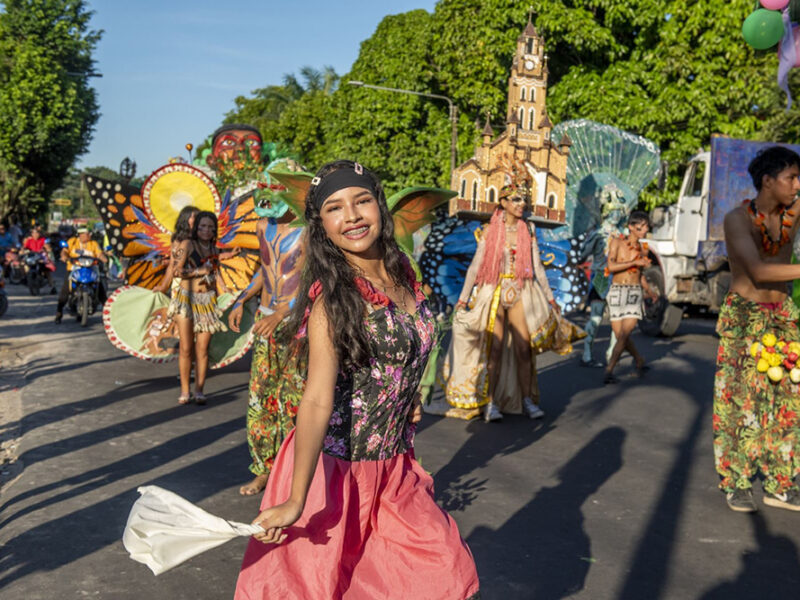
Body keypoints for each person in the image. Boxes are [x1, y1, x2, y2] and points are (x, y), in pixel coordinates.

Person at [234, 160, 480, 600]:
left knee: (441, 571)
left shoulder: (402, 275)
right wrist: (295, 500)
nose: (351, 216)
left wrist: (405, 394)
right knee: (321, 587)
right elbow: (315, 400)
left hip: (395, 468)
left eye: (361, 201)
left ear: (380, 206)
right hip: (335, 472)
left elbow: (399, 352)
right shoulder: (335, 300)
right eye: (334, 208)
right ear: (322, 226)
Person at [442, 194, 584, 422]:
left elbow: (537, 266)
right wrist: (463, 299)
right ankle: (491, 403)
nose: (521, 204)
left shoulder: (528, 229)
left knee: (523, 348)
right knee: (495, 348)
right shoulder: (489, 230)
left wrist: (550, 298)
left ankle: (527, 400)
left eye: (523, 200)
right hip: (495, 290)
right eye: (516, 200)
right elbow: (476, 266)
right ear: (504, 202)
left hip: (521, 289)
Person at [715, 146, 800, 513]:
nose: (797, 185)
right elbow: (759, 271)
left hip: (783, 316)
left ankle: (780, 484)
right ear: (768, 181)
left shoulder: (793, 213)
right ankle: (736, 481)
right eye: (790, 178)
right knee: (739, 402)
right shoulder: (737, 220)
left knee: (788, 402)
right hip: (745, 317)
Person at [228, 188, 306, 497]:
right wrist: (242, 299)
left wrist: (284, 313)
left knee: (294, 398)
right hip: (265, 318)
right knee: (261, 398)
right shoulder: (263, 226)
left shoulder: (309, 229)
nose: (269, 200)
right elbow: (266, 267)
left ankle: (294, 474)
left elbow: (316, 278)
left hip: (297, 322)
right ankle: (264, 469)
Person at [167, 210, 226, 405]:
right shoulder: (187, 244)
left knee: (203, 349)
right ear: (195, 228)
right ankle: (185, 390)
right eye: (202, 227)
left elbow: (217, 274)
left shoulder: (214, 249)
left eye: (210, 227)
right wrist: (198, 271)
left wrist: (226, 293)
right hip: (186, 300)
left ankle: (199, 390)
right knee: (186, 348)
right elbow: (177, 271)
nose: (206, 230)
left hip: (207, 302)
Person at [602, 211, 654, 384]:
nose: (645, 230)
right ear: (631, 227)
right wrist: (634, 262)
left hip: (634, 292)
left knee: (624, 334)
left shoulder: (644, 248)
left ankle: (609, 370)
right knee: (620, 335)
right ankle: (639, 360)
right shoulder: (616, 242)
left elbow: (640, 274)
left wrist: (650, 291)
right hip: (616, 291)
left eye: (646, 227)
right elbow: (611, 266)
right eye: (641, 227)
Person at [55, 227, 106, 322]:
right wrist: (64, 257)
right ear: (80, 235)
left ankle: (108, 312)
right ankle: (59, 312)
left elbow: (99, 254)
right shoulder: (72, 241)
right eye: (87, 234)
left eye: (89, 234)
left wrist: (103, 259)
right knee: (65, 291)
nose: (89, 235)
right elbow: (65, 251)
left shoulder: (93, 243)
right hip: (74, 269)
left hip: (90, 268)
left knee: (100, 287)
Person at [21, 226, 57, 293]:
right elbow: (24, 248)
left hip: (41, 258)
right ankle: (25, 278)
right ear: (31, 234)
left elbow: (48, 248)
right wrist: (22, 251)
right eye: (33, 233)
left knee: (47, 271)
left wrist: (47, 249)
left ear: (39, 234)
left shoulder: (43, 240)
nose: (35, 234)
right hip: (31, 258)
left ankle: (52, 286)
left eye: (37, 233)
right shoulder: (29, 240)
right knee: (24, 265)